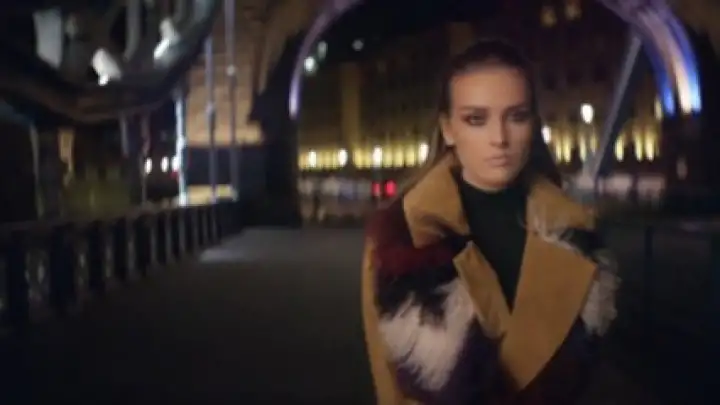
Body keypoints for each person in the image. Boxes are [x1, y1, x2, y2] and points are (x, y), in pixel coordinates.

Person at [361, 39, 619, 405]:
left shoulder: (578, 237)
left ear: (533, 123)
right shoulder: (401, 237)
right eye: (476, 119)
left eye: (516, 116)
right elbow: (388, 385)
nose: (499, 138)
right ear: (448, 129)